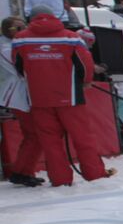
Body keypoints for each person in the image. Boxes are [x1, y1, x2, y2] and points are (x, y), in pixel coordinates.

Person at [11, 10, 112, 185]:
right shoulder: (71, 37)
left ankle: (60, 178)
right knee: (83, 138)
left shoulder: (20, 39)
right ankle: (95, 174)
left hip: (39, 98)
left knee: (50, 142)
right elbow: (85, 62)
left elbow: (19, 66)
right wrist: (86, 80)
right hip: (70, 97)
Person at [1, 16, 43, 187]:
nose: (22, 31)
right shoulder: (5, 48)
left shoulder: (17, 45)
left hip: (25, 94)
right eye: (17, 29)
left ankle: (24, 170)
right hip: (18, 95)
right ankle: (21, 171)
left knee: (33, 135)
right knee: (34, 134)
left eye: (23, 27)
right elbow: (21, 70)